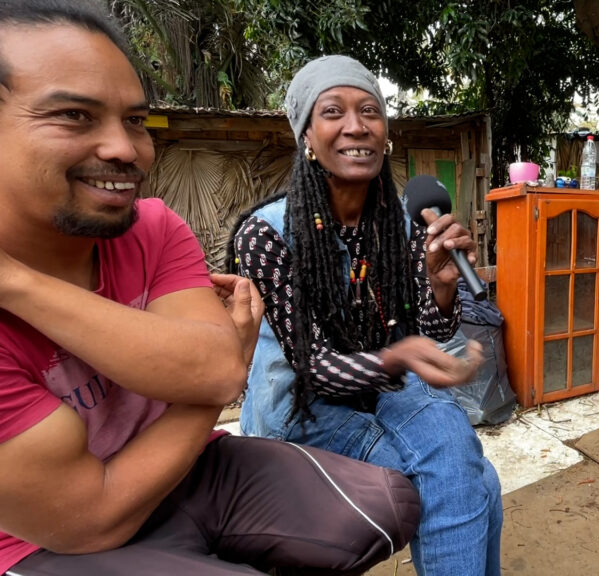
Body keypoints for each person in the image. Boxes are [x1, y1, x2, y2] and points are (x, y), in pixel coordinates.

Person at [0, 2, 420, 574]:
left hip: (200, 460)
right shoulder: (268, 232)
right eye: (74, 115)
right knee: (439, 456)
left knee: (401, 492)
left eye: (135, 121)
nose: (126, 148)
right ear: (304, 137)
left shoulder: (152, 226)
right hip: (58, 534)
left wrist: (17, 284)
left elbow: (218, 369)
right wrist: (222, 366)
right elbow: (88, 516)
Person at [228, 55, 503, 576]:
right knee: (470, 481)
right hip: (302, 411)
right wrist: (400, 357)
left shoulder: (398, 222)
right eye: (333, 111)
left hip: (383, 389)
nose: (356, 125)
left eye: (370, 111)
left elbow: (430, 330)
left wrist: (442, 289)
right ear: (307, 135)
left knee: (465, 470)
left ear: (386, 134)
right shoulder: (264, 236)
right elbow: (314, 367)